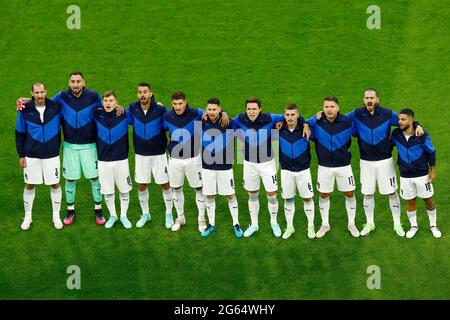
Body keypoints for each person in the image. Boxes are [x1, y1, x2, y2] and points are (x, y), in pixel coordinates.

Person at [16, 72, 124, 225]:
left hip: (89, 145)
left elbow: (107, 107)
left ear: (83, 82)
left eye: (78, 81)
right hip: (69, 146)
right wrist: (29, 101)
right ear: (69, 83)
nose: (75, 84)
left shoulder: (93, 97)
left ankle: (98, 211)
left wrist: (117, 106)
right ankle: (70, 211)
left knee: (94, 178)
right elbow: (45, 103)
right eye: (73, 81)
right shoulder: (62, 96)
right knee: (70, 179)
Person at [347, 89, 424, 237]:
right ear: (363, 100)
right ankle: (370, 223)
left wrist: (418, 125)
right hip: (366, 161)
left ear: (377, 99)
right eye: (367, 98)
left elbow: (404, 121)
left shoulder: (388, 114)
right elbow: (340, 119)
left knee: (391, 192)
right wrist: (313, 119)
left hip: (385, 161)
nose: (369, 101)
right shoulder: (357, 114)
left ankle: (397, 223)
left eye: (372, 98)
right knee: (367, 193)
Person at [233, 97, 310, 238]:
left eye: (254, 109)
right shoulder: (240, 119)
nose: (251, 112)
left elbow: (291, 115)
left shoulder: (270, 118)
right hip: (249, 163)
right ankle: (254, 224)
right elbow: (227, 123)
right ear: (246, 109)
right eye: (249, 109)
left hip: (267, 163)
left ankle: (274, 222)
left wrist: (304, 124)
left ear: (260, 109)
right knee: (252, 194)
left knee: (272, 195)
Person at [163, 91, 229, 232]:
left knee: (199, 189)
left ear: (185, 102)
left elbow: (213, 111)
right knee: (176, 188)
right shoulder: (167, 116)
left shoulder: (196, 113)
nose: (178, 106)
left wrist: (223, 112)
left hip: (193, 159)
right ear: (171, 104)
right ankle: (180, 218)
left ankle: (201, 219)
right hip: (174, 159)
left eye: (180, 103)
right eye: (175, 104)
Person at [307, 96, 359, 238]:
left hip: (344, 166)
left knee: (349, 193)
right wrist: (313, 118)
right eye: (326, 107)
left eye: (332, 106)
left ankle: (351, 223)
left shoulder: (348, 122)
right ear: (323, 109)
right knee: (324, 194)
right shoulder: (317, 123)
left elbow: (363, 123)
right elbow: (302, 124)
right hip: (324, 167)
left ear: (338, 108)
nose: (329, 110)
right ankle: (325, 224)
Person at [15, 83, 63, 230]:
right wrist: (21, 155)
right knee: (30, 184)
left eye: (42, 92)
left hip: (51, 154)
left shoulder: (56, 106)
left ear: (46, 92)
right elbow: (19, 133)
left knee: (55, 183)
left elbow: (67, 95)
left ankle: (56, 216)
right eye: (37, 92)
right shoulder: (24, 110)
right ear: (32, 93)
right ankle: (28, 216)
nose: (40, 95)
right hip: (31, 155)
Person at [127, 83, 174, 229]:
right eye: (140, 92)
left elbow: (170, 124)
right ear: (137, 95)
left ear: (150, 93)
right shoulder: (133, 108)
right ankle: (146, 214)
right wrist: (117, 108)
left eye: (145, 92)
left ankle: (169, 213)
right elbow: (122, 117)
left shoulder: (161, 109)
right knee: (142, 184)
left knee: (165, 183)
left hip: (159, 154)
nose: (142, 94)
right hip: (141, 154)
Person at [391, 108, 440, 238]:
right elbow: (387, 145)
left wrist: (433, 170)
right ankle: (414, 226)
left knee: (428, 200)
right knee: (410, 201)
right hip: (405, 176)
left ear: (411, 120)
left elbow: (431, 152)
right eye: (399, 119)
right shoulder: (396, 134)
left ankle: (433, 225)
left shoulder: (422, 135)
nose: (399, 122)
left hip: (422, 175)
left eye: (403, 119)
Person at [200, 98, 243, 237]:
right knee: (209, 195)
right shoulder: (202, 120)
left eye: (215, 109)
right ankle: (211, 224)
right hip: (207, 167)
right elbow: (185, 111)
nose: (212, 112)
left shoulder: (228, 122)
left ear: (219, 109)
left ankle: (236, 223)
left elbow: (243, 125)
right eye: (209, 109)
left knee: (230, 195)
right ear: (206, 109)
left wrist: (225, 113)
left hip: (225, 167)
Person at [95, 91, 133, 229]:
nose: (108, 103)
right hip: (103, 160)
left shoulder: (124, 114)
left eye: (111, 100)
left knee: (124, 189)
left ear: (116, 102)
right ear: (102, 102)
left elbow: (140, 112)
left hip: (121, 159)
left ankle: (123, 215)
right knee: (107, 190)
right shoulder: (96, 115)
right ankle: (113, 215)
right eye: (105, 100)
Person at [278, 104, 315, 239]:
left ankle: (310, 226)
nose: (290, 117)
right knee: (288, 199)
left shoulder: (306, 128)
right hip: (286, 171)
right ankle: (289, 226)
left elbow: (318, 115)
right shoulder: (279, 129)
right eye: (287, 115)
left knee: (307, 198)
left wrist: (305, 123)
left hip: (303, 171)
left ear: (298, 115)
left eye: (293, 114)